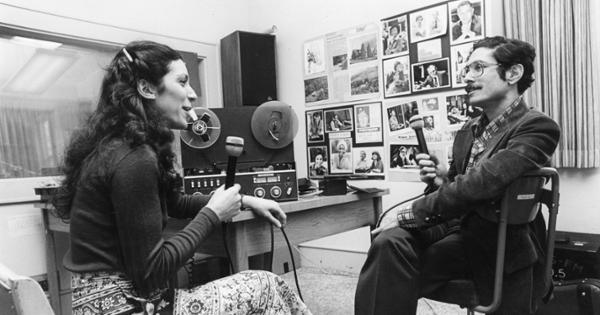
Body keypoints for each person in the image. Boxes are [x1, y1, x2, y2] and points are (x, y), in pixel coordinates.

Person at [53, 41, 310, 315]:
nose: (193, 94)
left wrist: (243, 199)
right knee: (266, 286)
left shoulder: (117, 145)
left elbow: (175, 202)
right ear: (147, 88)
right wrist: (213, 214)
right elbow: (151, 273)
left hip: (100, 303)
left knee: (267, 289)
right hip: (125, 306)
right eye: (182, 81)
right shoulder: (134, 159)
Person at [355, 36, 560, 315]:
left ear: (513, 73)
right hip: (457, 227)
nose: (467, 77)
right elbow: (459, 185)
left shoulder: (538, 127)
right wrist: (440, 180)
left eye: (478, 67)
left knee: (392, 265)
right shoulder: (469, 129)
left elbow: (484, 183)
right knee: (388, 243)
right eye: (466, 69)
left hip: (495, 240)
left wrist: (408, 213)